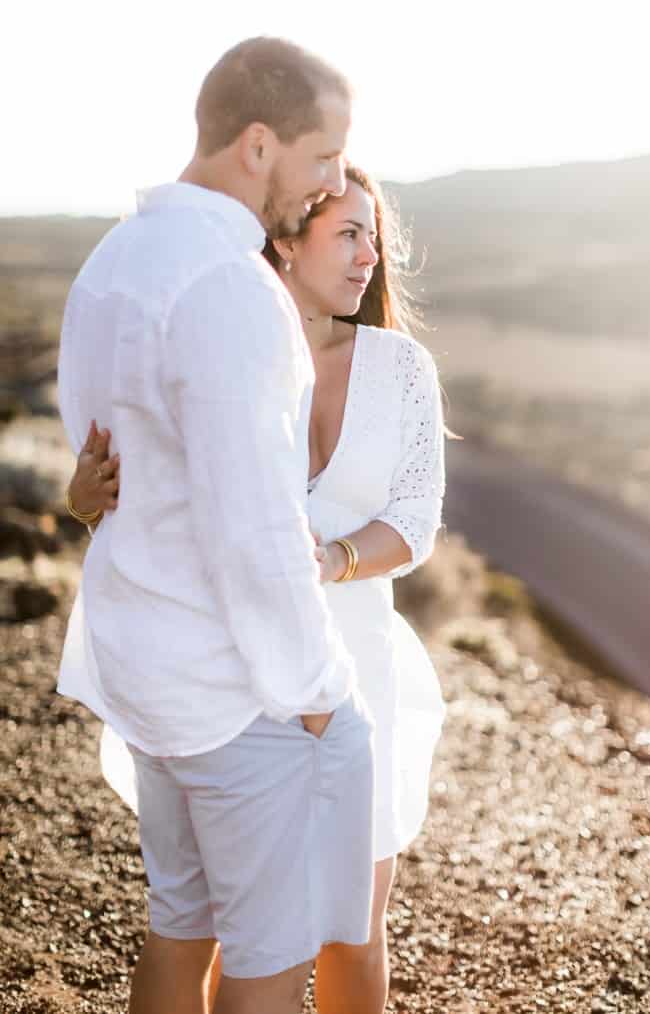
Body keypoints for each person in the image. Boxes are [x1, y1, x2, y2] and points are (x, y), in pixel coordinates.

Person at [69, 165, 448, 1014]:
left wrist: (331, 560)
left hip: (354, 671)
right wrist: (82, 497)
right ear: (285, 239)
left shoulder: (401, 368)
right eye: (349, 233)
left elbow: (417, 519)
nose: (369, 255)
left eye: (373, 236)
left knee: (353, 929)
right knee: (199, 927)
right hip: (224, 674)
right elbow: (149, 502)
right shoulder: (221, 344)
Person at [55, 36, 376, 1014]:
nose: (330, 187)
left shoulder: (114, 261)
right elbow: (255, 529)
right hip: (236, 693)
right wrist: (319, 693)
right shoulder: (229, 286)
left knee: (177, 927)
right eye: (323, 158)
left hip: (146, 664)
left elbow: (103, 468)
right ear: (258, 144)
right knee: (268, 966)